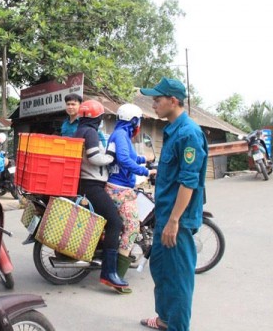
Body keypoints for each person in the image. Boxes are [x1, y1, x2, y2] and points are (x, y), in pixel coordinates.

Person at [139, 77, 208, 331]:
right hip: (165, 215)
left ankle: (177, 326)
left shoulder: (189, 133)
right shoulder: (171, 130)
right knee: (161, 270)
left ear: (173, 101)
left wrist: (174, 221)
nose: (154, 104)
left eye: (158, 100)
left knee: (178, 280)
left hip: (176, 220)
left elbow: (188, 183)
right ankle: (165, 319)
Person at [73, 99, 127, 289]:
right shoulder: (91, 132)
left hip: (84, 184)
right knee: (115, 222)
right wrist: (110, 157)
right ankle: (109, 273)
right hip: (92, 185)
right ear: (97, 118)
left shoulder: (79, 130)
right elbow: (95, 158)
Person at [105, 103, 157, 294]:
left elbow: (130, 156)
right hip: (119, 189)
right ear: (134, 120)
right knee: (133, 227)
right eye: (139, 121)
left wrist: (146, 160)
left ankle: (123, 257)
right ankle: (116, 275)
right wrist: (145, 171)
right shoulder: (121, 135)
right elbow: (125, 160)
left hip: (121, 187)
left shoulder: (121, 134)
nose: (139, 125)